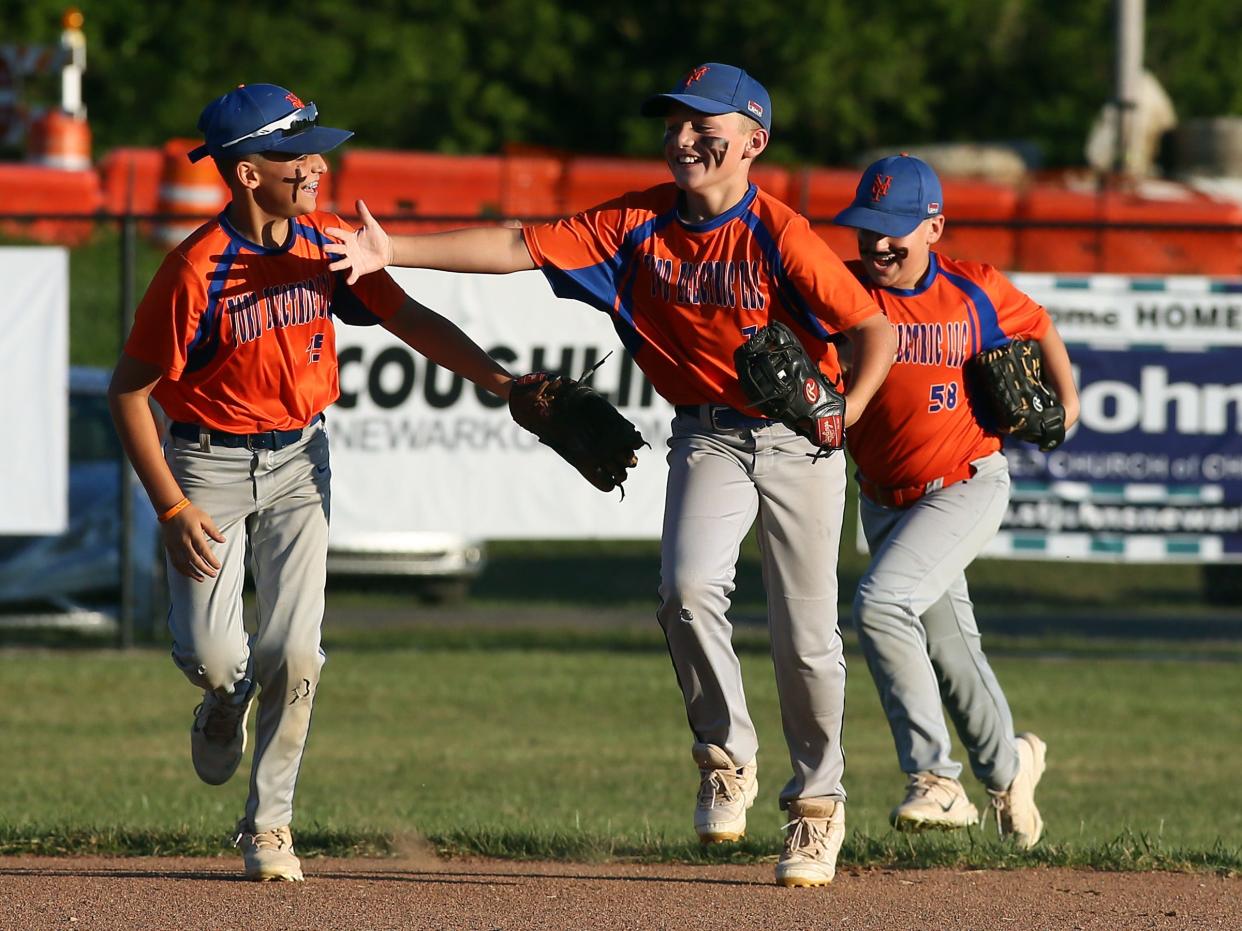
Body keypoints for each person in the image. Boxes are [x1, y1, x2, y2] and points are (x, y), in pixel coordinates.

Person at [325, 62, 896, 887]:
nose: (685, 136)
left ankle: (817, 806)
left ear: (753, 142)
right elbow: (518, 244)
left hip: (803, 439)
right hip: (708, 435)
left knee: (806, 640)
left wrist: (851, 412)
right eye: (675, 122)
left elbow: (872, 331)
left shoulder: (781, 234)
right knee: (685, 591)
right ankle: (724, 756)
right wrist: (395, 249)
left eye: (705, 123)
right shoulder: (635, 223)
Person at [107, 84, 515, 882]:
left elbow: (410, 320)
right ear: (248, 172)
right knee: (217, 658)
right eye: (297, 154)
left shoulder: (327, 241)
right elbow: (127, 391)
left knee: (295, 653)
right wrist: (170, 504)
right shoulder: (195, 268)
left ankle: (270, 826)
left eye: (317, 149)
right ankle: (222, 702)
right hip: (207, 467)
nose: (317, 166)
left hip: (300, 463)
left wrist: (500, 381)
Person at [833, 154, 1080, 848]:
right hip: (884, 500)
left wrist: (1071, 405)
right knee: (949, 648)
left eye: (895, 229)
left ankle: (936, 779)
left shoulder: (976, 291)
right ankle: (1011, 769)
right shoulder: (845, 296)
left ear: (934, 226)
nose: (878, 243)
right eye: (866, 228)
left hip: (966, 481)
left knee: (881, 605)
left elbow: (1040, 327)